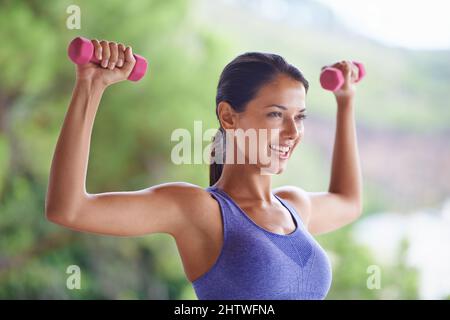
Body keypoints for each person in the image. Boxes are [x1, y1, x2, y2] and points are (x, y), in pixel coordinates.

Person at [45, 39, 363, 300]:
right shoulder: (197, 210)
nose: (293, 132)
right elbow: (69, 208)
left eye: (300, 117)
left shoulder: (295, 207)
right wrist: (90, 84)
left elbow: (348, 201)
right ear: (228, 117)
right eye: (276, 115)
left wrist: (345, 102)